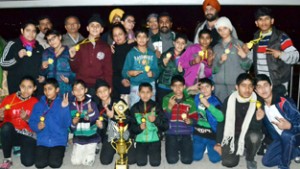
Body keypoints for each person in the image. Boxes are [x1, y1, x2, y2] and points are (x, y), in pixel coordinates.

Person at [245, 7, 299, 97]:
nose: (264, 22)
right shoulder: (256, 39)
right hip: (261, 84)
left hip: (278, 85)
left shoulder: (281, 37)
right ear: (256, 23)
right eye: (260, 19)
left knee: (278, 110)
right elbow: (256, 59)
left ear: (272, 21)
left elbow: (296, 56)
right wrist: (245, 54)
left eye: (267, 19)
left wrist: (281, 54)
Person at [215, 73, 263, 169]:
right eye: (243, 86)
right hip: (232, 135)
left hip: (248, 133)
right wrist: (219, 142)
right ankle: (239, 147)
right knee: (228, 163)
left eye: (250, 86)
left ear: (253, 87)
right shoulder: (229, 100)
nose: (247, 89)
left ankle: (250, 158)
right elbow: (221, 122)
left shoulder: (257, 101)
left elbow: (256, 129)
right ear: (237, 87)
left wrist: (258, 120)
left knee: (255, 137)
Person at [255, 74, 300, 169]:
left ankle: (284, 165)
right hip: (281, 139)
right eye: (259, 87)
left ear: (271, 86)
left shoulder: (283, 102)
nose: (263, 89)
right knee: (266, 161)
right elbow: (264, 129)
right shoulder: (261, 107)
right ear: (256, 91)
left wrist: (290, 126)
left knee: (287, 134)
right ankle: (295, 151)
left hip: (296, 134)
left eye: (265, 85)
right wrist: (259, 119)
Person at [29, 78, 71, 168]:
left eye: (50, 89)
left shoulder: (62, 103)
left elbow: (67, 124)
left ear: (57, 90)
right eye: (45, 89)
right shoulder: (38, 105)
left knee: (54, 164)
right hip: (43, 140)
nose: (47, 92)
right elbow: (32, 121)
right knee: (40, 164)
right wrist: (37, 126)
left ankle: (61, 150)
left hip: (58, 140)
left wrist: (64, 108)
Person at [69, 14, 112, 102]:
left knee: (96, 111)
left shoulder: (105, 47)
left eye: (98, 26)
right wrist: (72, 58)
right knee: (81, 112)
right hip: (82, 87)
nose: (95, 28)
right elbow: (74, 69)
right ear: (88, 28)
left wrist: (109, 88)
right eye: (92, 25)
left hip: (98, 87)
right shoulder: (80, 45)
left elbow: (108, 70)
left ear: (102, 29)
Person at [0, 76, 39, 169]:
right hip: (11, 133)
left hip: (27, 135)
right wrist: (1, 117)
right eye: (23, 86)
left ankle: (23, 147)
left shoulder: (36, 103)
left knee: (28, 163)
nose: (25, 90)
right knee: (6, 127)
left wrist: (27, 118)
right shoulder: (9, 99)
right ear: (19, 86)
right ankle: (7, 159)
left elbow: (38, 125)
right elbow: (2, 124)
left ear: (34, 88)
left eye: (29, 87)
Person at [95, 79, 136, 165]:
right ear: (97, 94)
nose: (103, 93)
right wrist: (101, 126)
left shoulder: (119, 102)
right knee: (105, 161)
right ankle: (115, 148)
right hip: (110, 135)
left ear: (110, 90)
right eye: (99, 92)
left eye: (105, 90)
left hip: (124, 134)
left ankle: (129, 144)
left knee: (132, 160)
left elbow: (129, 119)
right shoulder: (98, 107)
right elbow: (102, 127)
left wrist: (113, 117)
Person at [212, 17, 252, 102]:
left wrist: (244, 57)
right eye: (219, 29)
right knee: (221, 113)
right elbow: (213, 70)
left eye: (225, 28)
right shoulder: (216, 48)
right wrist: (220, 62)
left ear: (230, 29)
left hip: (235, 86)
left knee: (235, 112)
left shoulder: (239, 44)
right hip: (219, 88)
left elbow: (247, 67)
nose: (222, 31)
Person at [0, 21, 44, 95]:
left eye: (34, 31)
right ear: (22, 31)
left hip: (35, 89)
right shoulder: (13, 44)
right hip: (17, 88)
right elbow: (3, 64)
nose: (31, 33)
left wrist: (43, 76)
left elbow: (41, 67)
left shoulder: (39, 48)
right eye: (28, 30)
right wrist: (18, 57)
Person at [130, 82, 169, 166]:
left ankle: (152, 151)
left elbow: (165, 126)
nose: (145, 95)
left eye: (148, 92)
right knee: (141, 163)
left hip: (154, 140)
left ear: (152, 93)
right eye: (142, 92)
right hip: (140, 140)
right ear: (138, 93)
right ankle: (142, 151)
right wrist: (139, 127)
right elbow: (130, 127)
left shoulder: (157, 106)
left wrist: (156, 120)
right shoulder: (134, 108)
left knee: (155, 163)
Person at [162, 75, 198, 164]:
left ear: (184, 87)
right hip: (171, 133)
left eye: (180, 85)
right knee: (172, 160)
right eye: (175, 86)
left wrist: (191, 121)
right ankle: (175, 146)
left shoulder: (190, 101)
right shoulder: (166, 99)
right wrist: (170, 107)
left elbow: (195, 118)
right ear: (171, 87)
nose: (178, 88)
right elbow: (164, 119)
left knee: (187, 160)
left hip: (185, 133)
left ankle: (181, 146)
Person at [122, 29, 159, 107]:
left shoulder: (152, 54)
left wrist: (153, 74)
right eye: (139, 36)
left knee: (151, 109)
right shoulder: (131, 53)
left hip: (150, 85)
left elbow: (157, 71)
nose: (141, 39)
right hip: (136, 85)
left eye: (144, 36)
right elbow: (124, 72)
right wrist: (130, 73)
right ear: (135, 39)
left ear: (148, 38)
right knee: (135, 108)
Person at [69, 80, 101, 166]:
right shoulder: (71, 106)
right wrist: (73, 122)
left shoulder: (92, 104)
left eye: (81, 89)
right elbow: (70, 128)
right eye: (75, 89)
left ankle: (94, 146)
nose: (78, 91)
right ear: (72, 92)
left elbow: (97, 121)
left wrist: (90, 114)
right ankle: (80, 146)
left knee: (87, 162)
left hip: (91, 136)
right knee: (75, 162)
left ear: (86, 90)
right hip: (79, 137)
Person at [193, 78, 223, 163]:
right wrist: (192, 88)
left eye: (207, 86)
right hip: (198, 131)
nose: (204, 89)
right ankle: (202, 146)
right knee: (196, 157)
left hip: (211, 132)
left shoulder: (215, 101)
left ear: (212, 88)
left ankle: (210, 146)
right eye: (201, 87)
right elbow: (182, 93)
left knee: (215, 159)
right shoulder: (197, 97)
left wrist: (207, 104)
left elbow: (221, 118)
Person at [40, 29, 75, 97]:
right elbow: (43, 73)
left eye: (54, 38)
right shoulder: (46, 53)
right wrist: (43, 68)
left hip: (65, 87)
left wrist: (70, 80)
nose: (52, 41)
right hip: (50, 89)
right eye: (49, 40)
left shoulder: (69, 51)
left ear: (60, 37)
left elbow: (75, 69)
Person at [157, 33, 187, 106]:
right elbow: (158, 71)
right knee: (162, 108)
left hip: (176, 88)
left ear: (185, 45)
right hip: (163, 86)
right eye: (178, 42)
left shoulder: (186, 57)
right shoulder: (165, 54)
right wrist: (164, 64)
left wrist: (181, 72)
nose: (180, 45)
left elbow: (185, 75)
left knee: (173, 109)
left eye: (182, 43)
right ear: (174, 43)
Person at [110, 24, 136, 104]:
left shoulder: (134, 46)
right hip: (118, 85)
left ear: (125, 34)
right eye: (115, 35)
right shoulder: (112, 50)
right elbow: (113, 71)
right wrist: (122, 80)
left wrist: (129, 79)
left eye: (120, 34)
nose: (118, 37)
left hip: (135, 83)